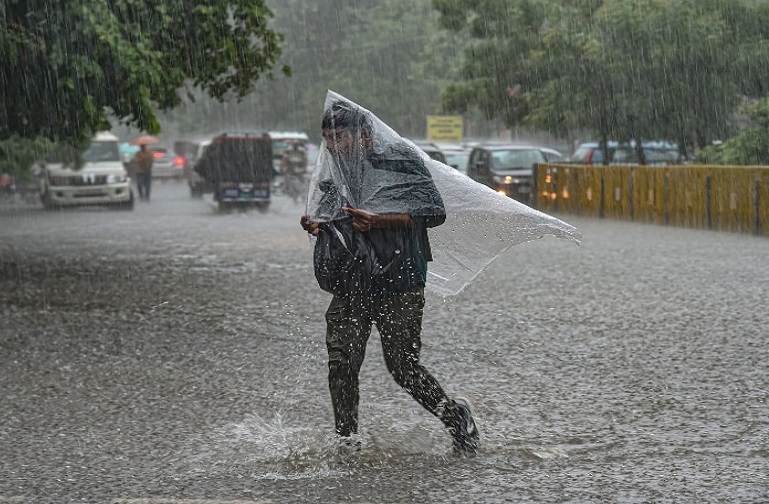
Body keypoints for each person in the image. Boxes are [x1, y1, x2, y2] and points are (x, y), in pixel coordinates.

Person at [300, 100, 480, 454]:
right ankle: (347, 441)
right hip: (353, 279)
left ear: (364, 133)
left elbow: (433, 212)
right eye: (327, 139)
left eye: (340, 137)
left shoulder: (400, 159)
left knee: (401, 366)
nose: (334, 146)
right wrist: (318, 225)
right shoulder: (335, 170)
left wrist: (378, 220)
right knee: (341, 362)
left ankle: (454, 416)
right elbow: (333, 214)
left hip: (400, 279)